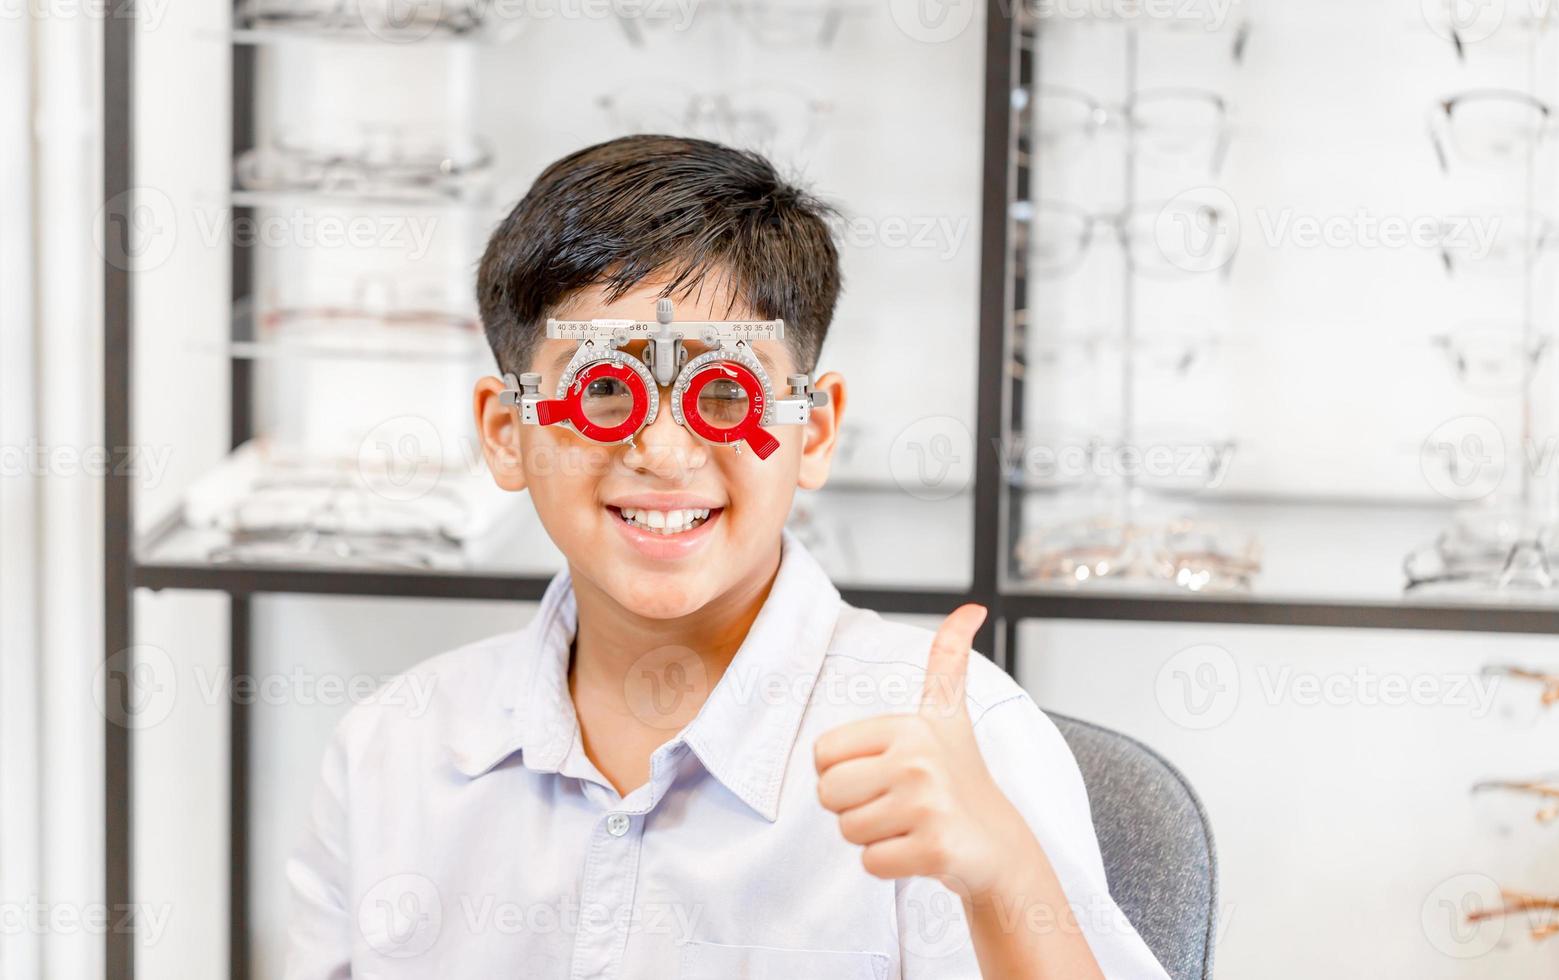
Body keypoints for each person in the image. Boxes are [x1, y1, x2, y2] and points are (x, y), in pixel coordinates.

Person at [285, 134, 1171, 979]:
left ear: (812, 429)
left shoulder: (959, 739)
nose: (664, 454)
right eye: (604, 390)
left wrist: (1005, 876)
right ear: (505, 432)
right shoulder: (391, 754)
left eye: (721, 391)